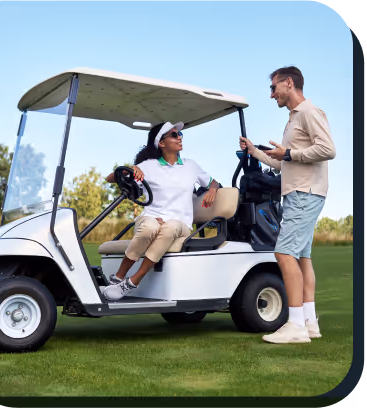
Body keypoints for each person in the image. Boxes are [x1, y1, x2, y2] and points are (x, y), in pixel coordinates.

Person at [240, 66, 336, 344]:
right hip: (297, 192)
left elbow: (328, 149)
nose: (272, 95)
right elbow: (283, 164)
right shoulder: (293, 119)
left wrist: (290, 153)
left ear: (288, 83)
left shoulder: (309, 112)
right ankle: (309, 322)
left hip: (305, 193)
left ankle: (294, 326)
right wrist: (256, 151)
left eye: (273, 88)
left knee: (283, 254)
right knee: (301, 257)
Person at [102, 121, 220, 301]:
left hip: (181, 224)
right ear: (161, 143)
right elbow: (111, 178)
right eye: (174, 135)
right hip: (151, 217)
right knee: (149, 227)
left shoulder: (190, 165)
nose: (179, 137)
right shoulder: (148, 165)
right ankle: (117, 278)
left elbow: (212, 181)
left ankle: (131, 282)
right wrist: (132, 169)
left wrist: (212, 190)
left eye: (180, 135)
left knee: (171, 226)